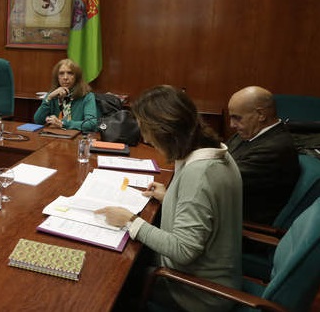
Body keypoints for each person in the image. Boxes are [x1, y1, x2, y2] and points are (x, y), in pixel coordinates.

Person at [96, 85, 242, 312]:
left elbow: (184, 250)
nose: (144, 137)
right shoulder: (218, 152)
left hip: (196, 292)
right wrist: (171, 196)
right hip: (215, 275)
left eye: (145, 130)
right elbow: (205, 210)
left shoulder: (199, 174)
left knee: (110, 281)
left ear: (166, 131)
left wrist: (130, 221)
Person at [227, 86, 300, 225]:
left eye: (236, 118)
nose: (231, 125)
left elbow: (222, 179)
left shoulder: (276, 149)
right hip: (227, 211)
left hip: (241, 227)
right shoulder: (249, 133)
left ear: (261, 114)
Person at [33, 58, 99, 131]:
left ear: (77, 77)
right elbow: (38, 120)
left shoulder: (87, 96)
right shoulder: (53, 95)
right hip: (55, 136)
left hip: (78, 137)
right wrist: (48, 98)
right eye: (61, 73)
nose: (65, 77)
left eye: (70, 73)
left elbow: (91, 123)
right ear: (57, 77)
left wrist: (63, 123)